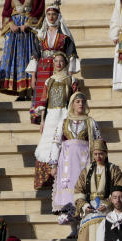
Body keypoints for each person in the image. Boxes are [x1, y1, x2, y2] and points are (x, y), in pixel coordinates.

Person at [69, 141, 122, 241]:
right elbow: (78, 191)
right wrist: (84, 205)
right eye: (95, 154)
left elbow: (119, 189)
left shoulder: (113, 169)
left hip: (107, 209)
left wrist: (107, 204)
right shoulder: (87, 170)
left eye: (101, 153)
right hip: (90, 210)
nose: (98, 156)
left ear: (106, 154)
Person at [32, 52, 78, 190]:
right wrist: (42, 121)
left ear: (65, 63)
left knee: (63, 142)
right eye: (56, 61)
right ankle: (47, 179)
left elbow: (75, 99)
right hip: (51, 115)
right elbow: (44, 101)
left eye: (61, 61)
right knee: (47, 144)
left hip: (65, 114)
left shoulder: (72, 80)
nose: (58, 64)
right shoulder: (49, 81)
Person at [52, 93, 102, 219]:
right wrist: (53, 164)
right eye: (77, 101)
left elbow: (98, 143)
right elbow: (56, 143)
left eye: (82, 101)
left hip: (84, 161)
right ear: (72, 104)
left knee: (83, 190)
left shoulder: (91, 122)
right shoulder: (64, 122)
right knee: (68, 192)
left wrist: (99, 162)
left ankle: (82, 224)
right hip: (67, 163)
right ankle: (73, 227)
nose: (80, 104)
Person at [30, 1, 80, 113]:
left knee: (57, 94)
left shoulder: (64, 35)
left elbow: (71, 54)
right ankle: (41, 117)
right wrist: (33, 76)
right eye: (49, 14)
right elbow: (35, 55)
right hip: (43, 68)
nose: (51, 17)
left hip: (58, 68)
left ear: (58, 16)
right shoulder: (41, 34)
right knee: (42, 94)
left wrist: (70, 73)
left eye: (54, 14)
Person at [0, 0, 45, 99]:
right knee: (17, 60)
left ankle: (29, 91)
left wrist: (28, 24)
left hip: (29, 31)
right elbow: (6, 12)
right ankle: (20, 92)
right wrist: (10, 24)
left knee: (29, 58)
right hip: (14, 31)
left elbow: (39, 11)